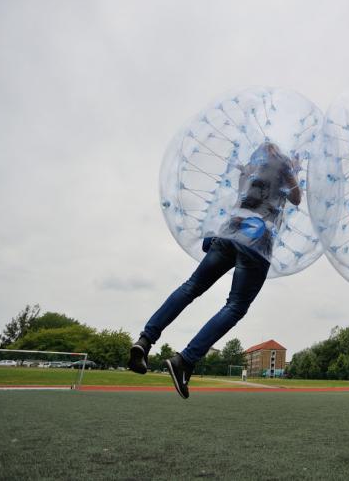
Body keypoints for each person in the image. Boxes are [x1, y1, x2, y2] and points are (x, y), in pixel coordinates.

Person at [128, 142, 300, 399]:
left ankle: (145, 340)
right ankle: (184, 360)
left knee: (190, 287)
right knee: (235, 307)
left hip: (228, 233)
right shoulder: (284, 171)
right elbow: (296, 198)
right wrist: (293, 169)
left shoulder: (249, 171)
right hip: (256, 242)